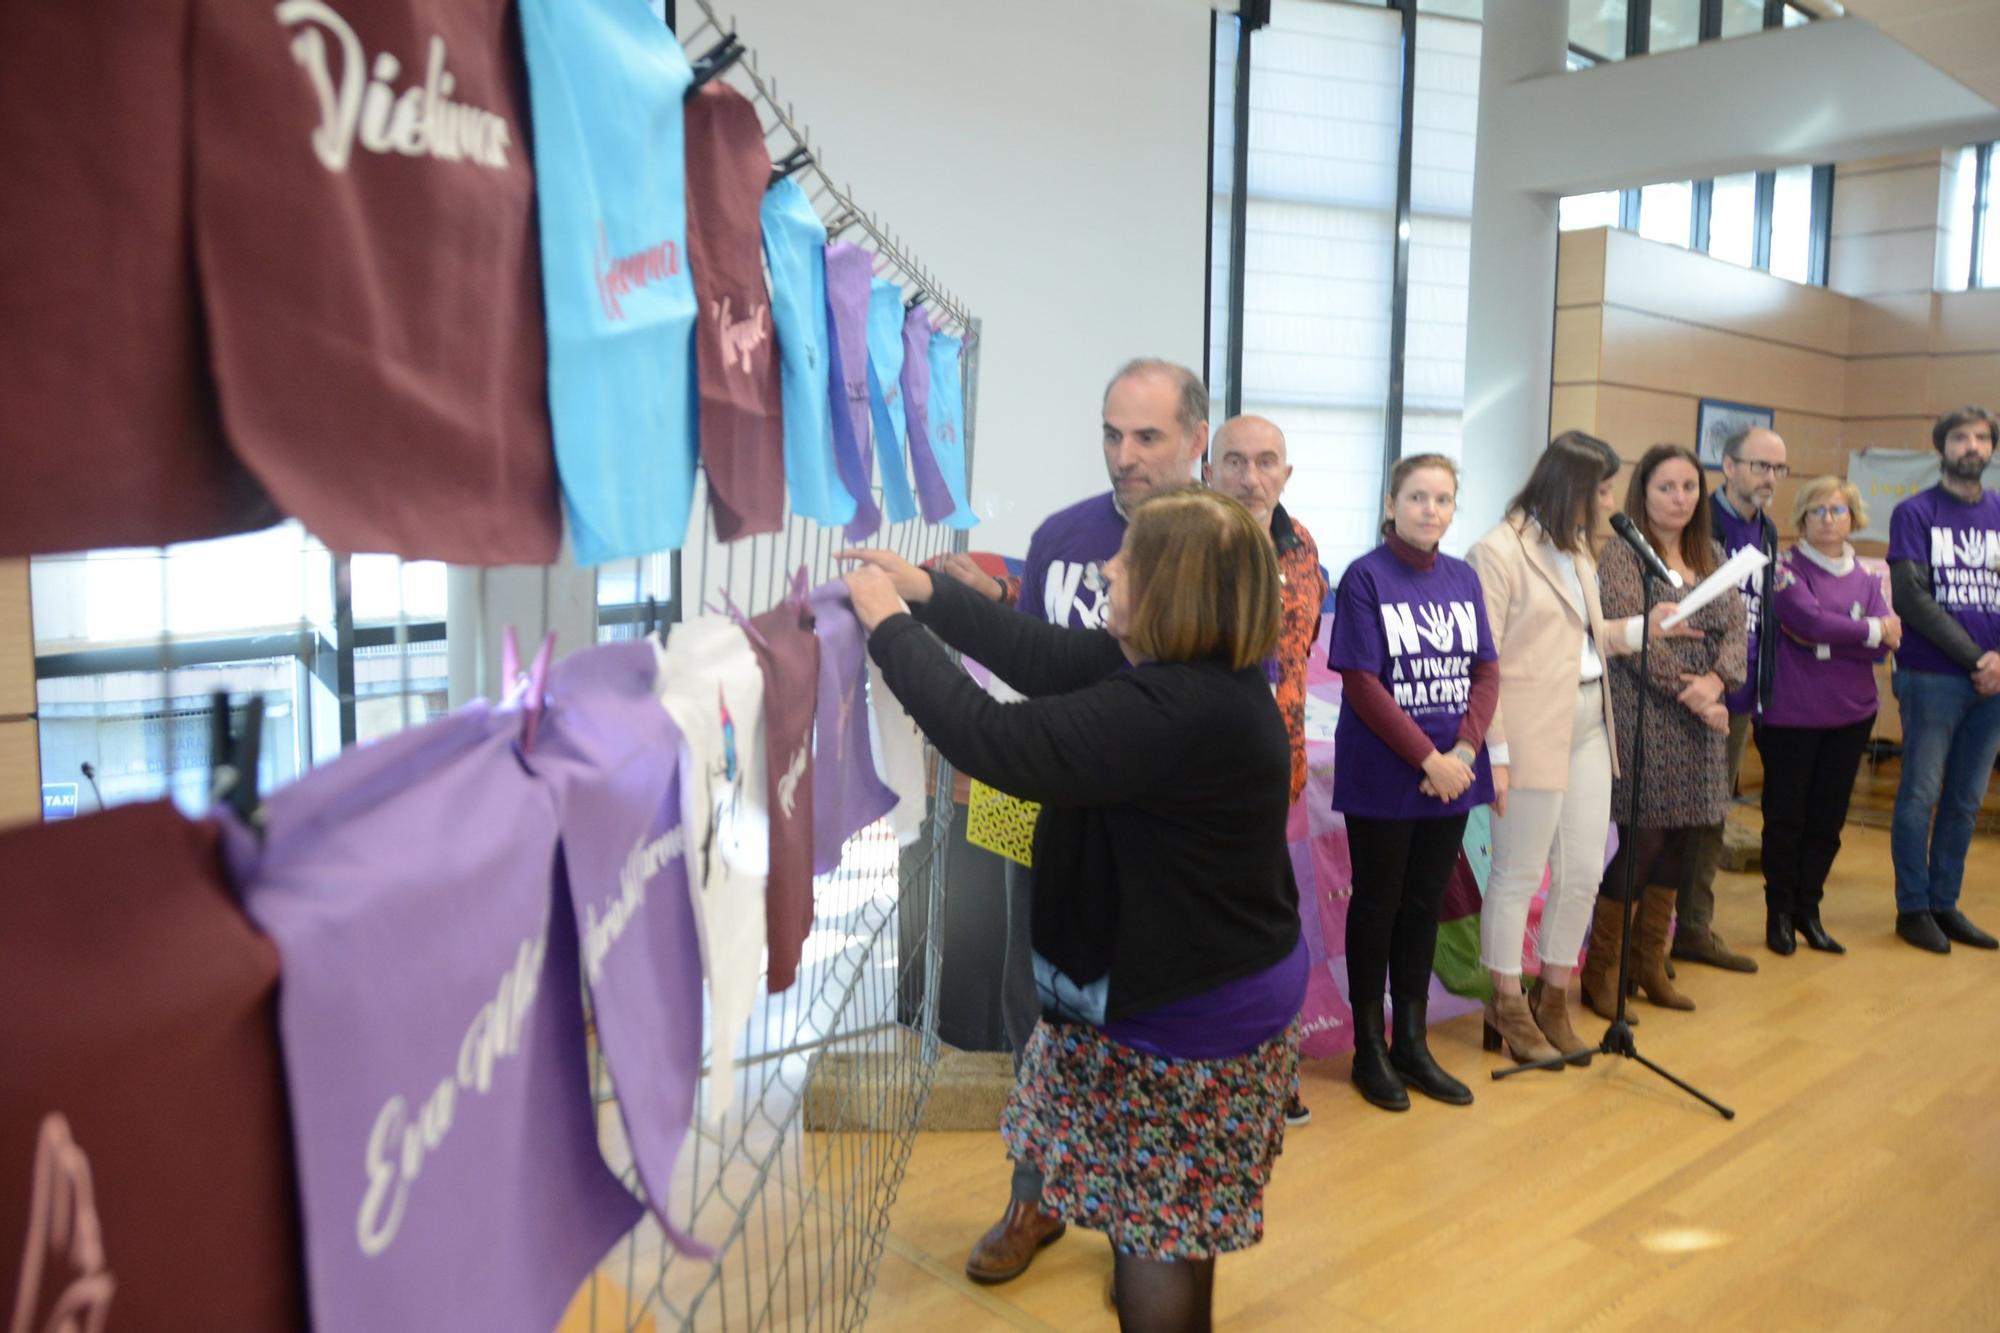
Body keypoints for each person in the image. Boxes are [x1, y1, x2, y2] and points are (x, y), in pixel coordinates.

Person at [841, 488, 1302, 1332]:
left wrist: (890, 631)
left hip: (1187, 1019)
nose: (1107, 564)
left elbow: (995, 741)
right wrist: (926, 594)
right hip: (1199, 989)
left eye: (1131, 560)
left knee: (1156, 1229)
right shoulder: (1183, 676)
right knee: (1170, 1218)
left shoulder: (1172, 711)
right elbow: (1046, 655)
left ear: (1174, 589)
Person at [929, 357, 1208, 1285]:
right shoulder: (1061, 535)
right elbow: (1037, 664)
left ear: (1195, 440)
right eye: (1111, 434)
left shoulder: (1222, 547)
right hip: (1036, 815)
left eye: (1148, 437)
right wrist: (988, 596)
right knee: (1031, 1005)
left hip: (1151, 843)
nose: (1124, 457)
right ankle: (1035, 1192)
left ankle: (1139, 1211)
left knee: (1144, 1024)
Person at [1467, 432, 1701, 1065]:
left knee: (1584, 873)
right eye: (1600, 490)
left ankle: (1554, 997)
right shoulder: (1497, 550)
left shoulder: (1575, 550)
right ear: (1569, 484)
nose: (1606, 502)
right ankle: (1506, 1004)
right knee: (1518, 873)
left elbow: (1588, 637)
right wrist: (1499, 753)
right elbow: (1481, 660)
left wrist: (1642, 627)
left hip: (1590, 720)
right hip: (1528, 725)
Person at [1328, 454, 1495, 1110]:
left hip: (1452, 772)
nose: (1431, 509)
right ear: (1391, 502)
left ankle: (1413, 1042)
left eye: (1444, 498)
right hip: (1389, 773)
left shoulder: (1462, 577)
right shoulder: (1366, 576)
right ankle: (1369, 1046)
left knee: (1426, 903)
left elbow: (1486, 670)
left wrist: (1464, 749)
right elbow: (1362, 682)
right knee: (1379, 903)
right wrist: (1429, 758)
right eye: (1418, 496)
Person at [1588, 444, 1746, 1019]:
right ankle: (1602, 969)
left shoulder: (1714, 553)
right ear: (1643, 494)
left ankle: (1649, 963)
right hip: (1646, 716)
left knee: (1684, 844)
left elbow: (1735, 630)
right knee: (1643, 844)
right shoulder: (1623, 557)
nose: (1679, 498)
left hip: (1703, 717)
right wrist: (1697, 695)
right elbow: (1634, 644)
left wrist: (1718, 683)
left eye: (1688, 487)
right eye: (1665, 487)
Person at [1211, 413, 1329, 1126]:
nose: (1249, 477)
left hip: (1276, 774)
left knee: (1273, 931)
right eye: (1233, 461)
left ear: (1285, 472)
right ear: (1208, 469)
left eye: (1264, 461)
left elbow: (1302, 645)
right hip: (1195, 777)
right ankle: (1214, 1074)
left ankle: (1269, 1072)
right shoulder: (1180, 540)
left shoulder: (1303, 545)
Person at [1759, 476, 1900, 956]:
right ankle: (1778, 912)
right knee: (1786, 818)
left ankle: (1809, 910)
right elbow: (1807, 621)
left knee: (1826, 820)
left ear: (1854, 519)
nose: (1827, 519)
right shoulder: (1783, 569)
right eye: (1817, 511)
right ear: (1801, 518)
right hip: (1791, 716)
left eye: (1837, 511)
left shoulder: (1868, 577)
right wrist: (1867, 631)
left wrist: (1831, 641)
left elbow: (1886, 643)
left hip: (1852, 713)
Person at [1886, 406, 2000, 954]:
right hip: (1933, 677)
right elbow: (1910, 597)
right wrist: (1979, 658)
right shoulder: (1915, 512)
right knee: (1921, 794)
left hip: (1993, 683)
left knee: (1965, 800)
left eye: (1981, 438)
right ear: (1942, 447)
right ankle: (1913, 908)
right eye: (1960, 437)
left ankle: (1945, 903)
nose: (1972, 446)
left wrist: (1996, 661)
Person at [1678, 426, 1789, 975]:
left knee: (1713, 815)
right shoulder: (1700, 524)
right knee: (1679, 815)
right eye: (1759, 466)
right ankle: (1670, 929)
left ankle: (1692, 926)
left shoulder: (1765, 529)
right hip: (1691, 692)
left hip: (1741, 694)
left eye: (1777, 469)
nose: (1769, 478)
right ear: (1728, 465)